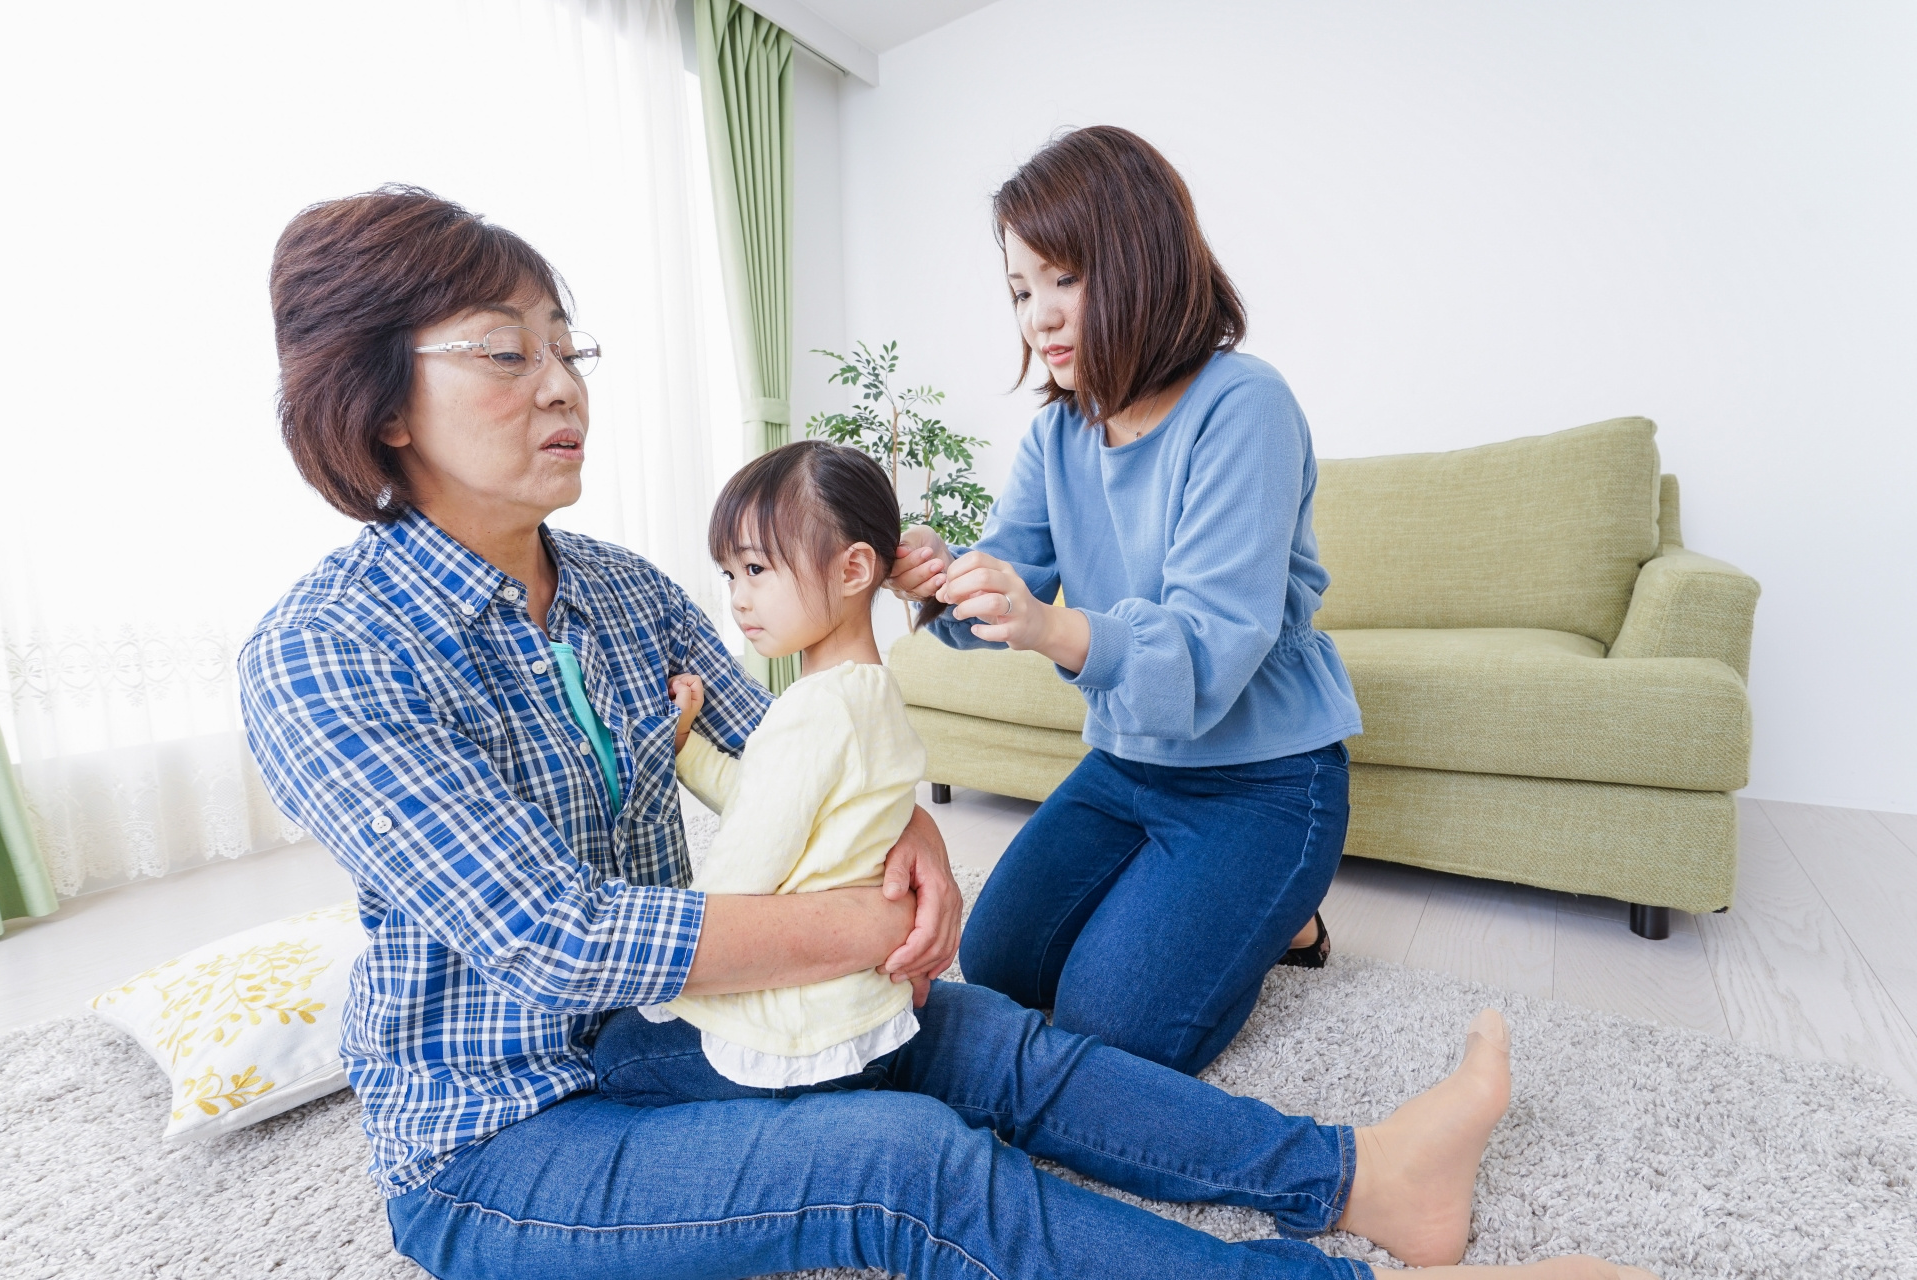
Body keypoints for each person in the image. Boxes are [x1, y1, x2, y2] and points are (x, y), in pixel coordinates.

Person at [240, 183, 1651, 1280]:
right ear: (374, 406)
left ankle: (1359, 1175)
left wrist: (914, 834)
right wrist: (861, 928)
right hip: (500, 1131)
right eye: (507, 353)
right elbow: (553, 931)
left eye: (570, 346)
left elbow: (809, 728)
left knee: (972, 1033)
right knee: (907, 1160)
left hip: (672, 1025)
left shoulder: (618, 588)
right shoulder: (324, 653)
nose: (563, 386)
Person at [891, 125, 1359, 1076]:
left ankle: (1280, 911)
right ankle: (1228, 901)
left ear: (1143, 261)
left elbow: (1210, 652)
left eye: (1064, 278)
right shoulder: (1059, 433)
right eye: (1022, 289)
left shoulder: (1243, 405)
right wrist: (947, 580)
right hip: (1125, 763)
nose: (1039, 317)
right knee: (1001, 962)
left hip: (1263, 777)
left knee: (1118, 1034)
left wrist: (1049, 625)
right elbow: (1010, 575)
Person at [638, 440, 929, 1087]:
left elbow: (747, 856)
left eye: (758, 570)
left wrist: (674, 969)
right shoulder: (868, 691)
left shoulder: (813, 710)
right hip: (863, 1002)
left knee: (620, 1055)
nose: (740, 599)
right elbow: (767, 794)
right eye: (730, 575)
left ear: (853, 571)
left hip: (799, 1025)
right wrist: (687, 747)